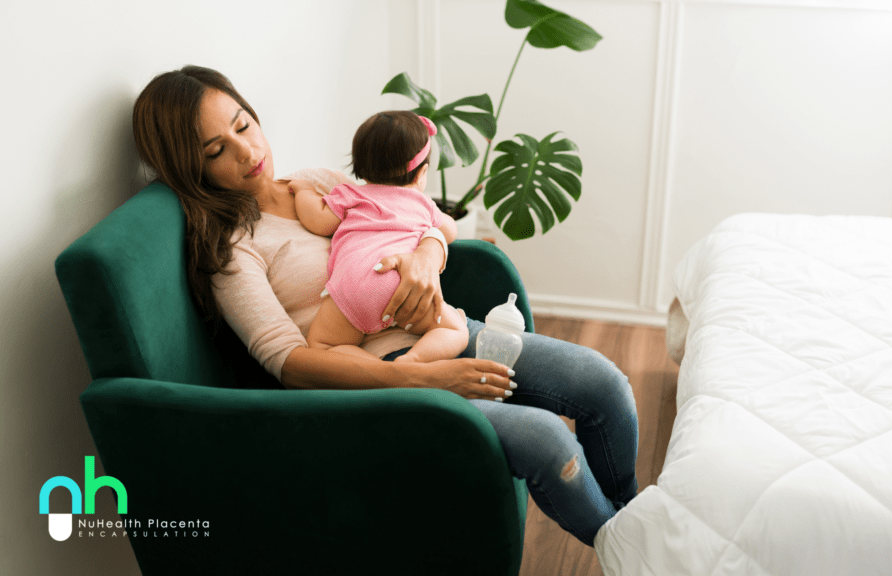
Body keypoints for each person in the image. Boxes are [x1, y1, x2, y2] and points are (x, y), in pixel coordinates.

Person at [131, 65, 638, 547]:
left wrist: (425, 256)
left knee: (606, 385)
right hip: (387, 377)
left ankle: (635, 529)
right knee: (548, 439)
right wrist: (426, 380)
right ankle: (630, 553)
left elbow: (415, 215)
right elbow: (289, 364)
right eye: (218, 149)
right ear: (191, 166)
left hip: (444, 327)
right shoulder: (233, 249)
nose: (246, 151)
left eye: (243, 124)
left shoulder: (319, 182)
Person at [290, 110, 468, 364]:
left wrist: (303, 190)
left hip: (358, 285)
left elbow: (318, 220)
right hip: (409, 286)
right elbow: (449, 231)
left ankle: (377, 371)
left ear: (360, 167)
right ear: (421, 173)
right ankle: (412, 361)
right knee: (454, 329)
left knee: (322, 347)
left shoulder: (350, 194)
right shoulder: (423, 203)